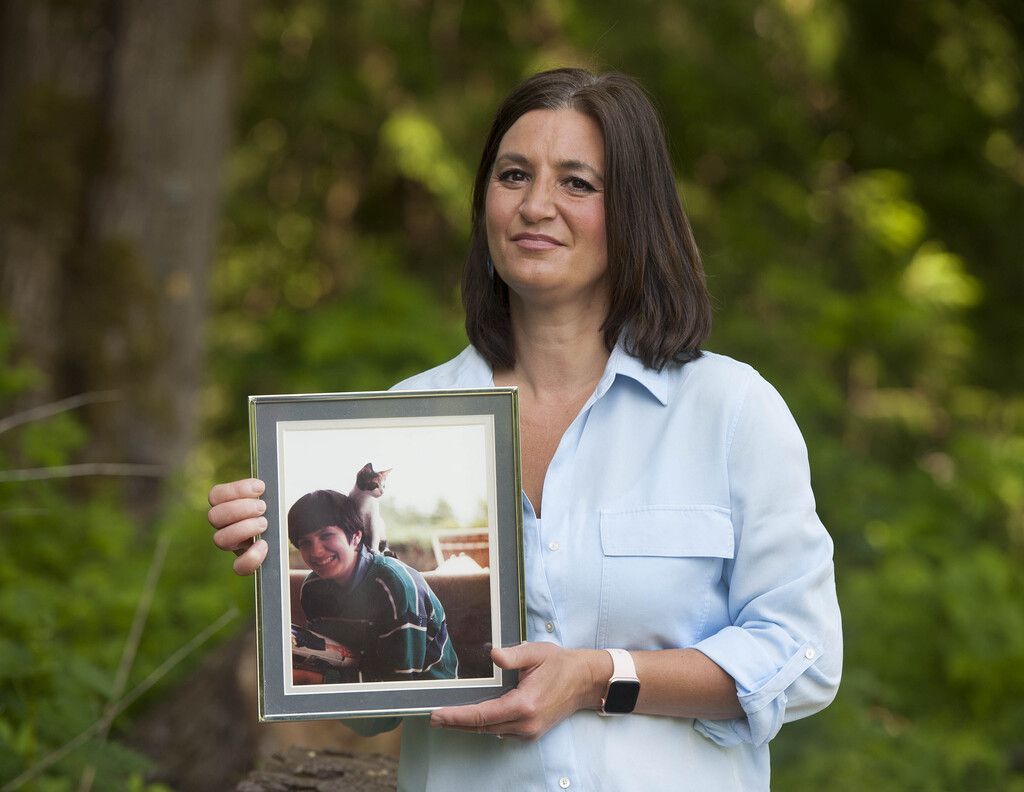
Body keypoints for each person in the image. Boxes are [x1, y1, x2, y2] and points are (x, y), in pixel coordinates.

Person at [208, 68, 842, 791]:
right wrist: (277, 582)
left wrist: (602, 678)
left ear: (635, 209)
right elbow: (367, 713)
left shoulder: (729, 411)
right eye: (514, 175)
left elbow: (805, 659)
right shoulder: (404, 418)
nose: (536, 205)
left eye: (577, 183)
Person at [286, 489, 459, 683]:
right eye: (305, 543)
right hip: (351, 684)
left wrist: (316, 679)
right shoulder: (312, 588)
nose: (316, 552)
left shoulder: (395, 586)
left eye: (326, 536)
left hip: (427, 697)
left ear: (356, 537)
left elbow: (401, 683)